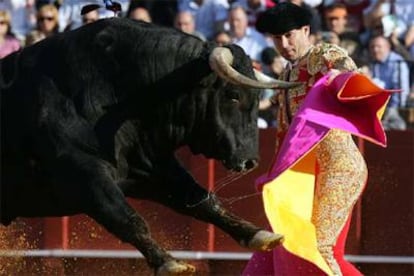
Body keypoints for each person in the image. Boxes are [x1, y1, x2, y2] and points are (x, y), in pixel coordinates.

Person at [243, 2, 393, 275]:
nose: (284, 43)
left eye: (289, 35)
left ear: (305, 30)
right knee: (284, 245)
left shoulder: (322, 53)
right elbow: (285, 135)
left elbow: (346, 69)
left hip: (339, 169)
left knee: (319, 248)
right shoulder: (287, 75)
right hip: (310, 177)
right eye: (277, 38)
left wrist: (340, 77)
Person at [368, 34, 409, 130]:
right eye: (372, 47)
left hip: (393, 106)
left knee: (399, 126)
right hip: (378, 105)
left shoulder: (397, 62)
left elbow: (401, 89)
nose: (375, 50)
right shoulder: (373, 63)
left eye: (379, 46)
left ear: (388, 47)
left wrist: (395, 108)